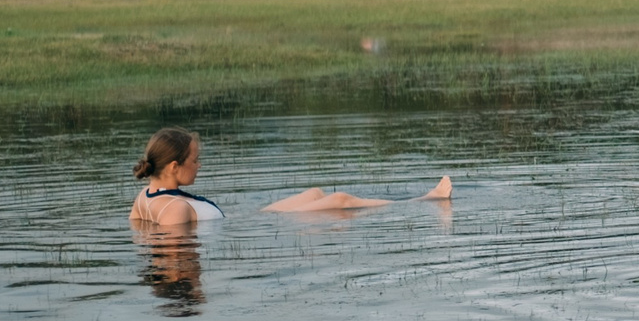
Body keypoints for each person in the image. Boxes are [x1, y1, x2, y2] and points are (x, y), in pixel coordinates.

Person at [130, 128, 225, 225]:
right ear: (174, 167)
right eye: (195, 160)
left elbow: (136, 228)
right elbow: (171, 235)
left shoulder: (143, 196)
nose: (199, 165)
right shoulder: (177, 208)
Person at [265, 176, 453, 213]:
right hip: (275, 216)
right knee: (341, 200)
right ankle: (428, 198)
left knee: (315, 193)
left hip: (267, 213)